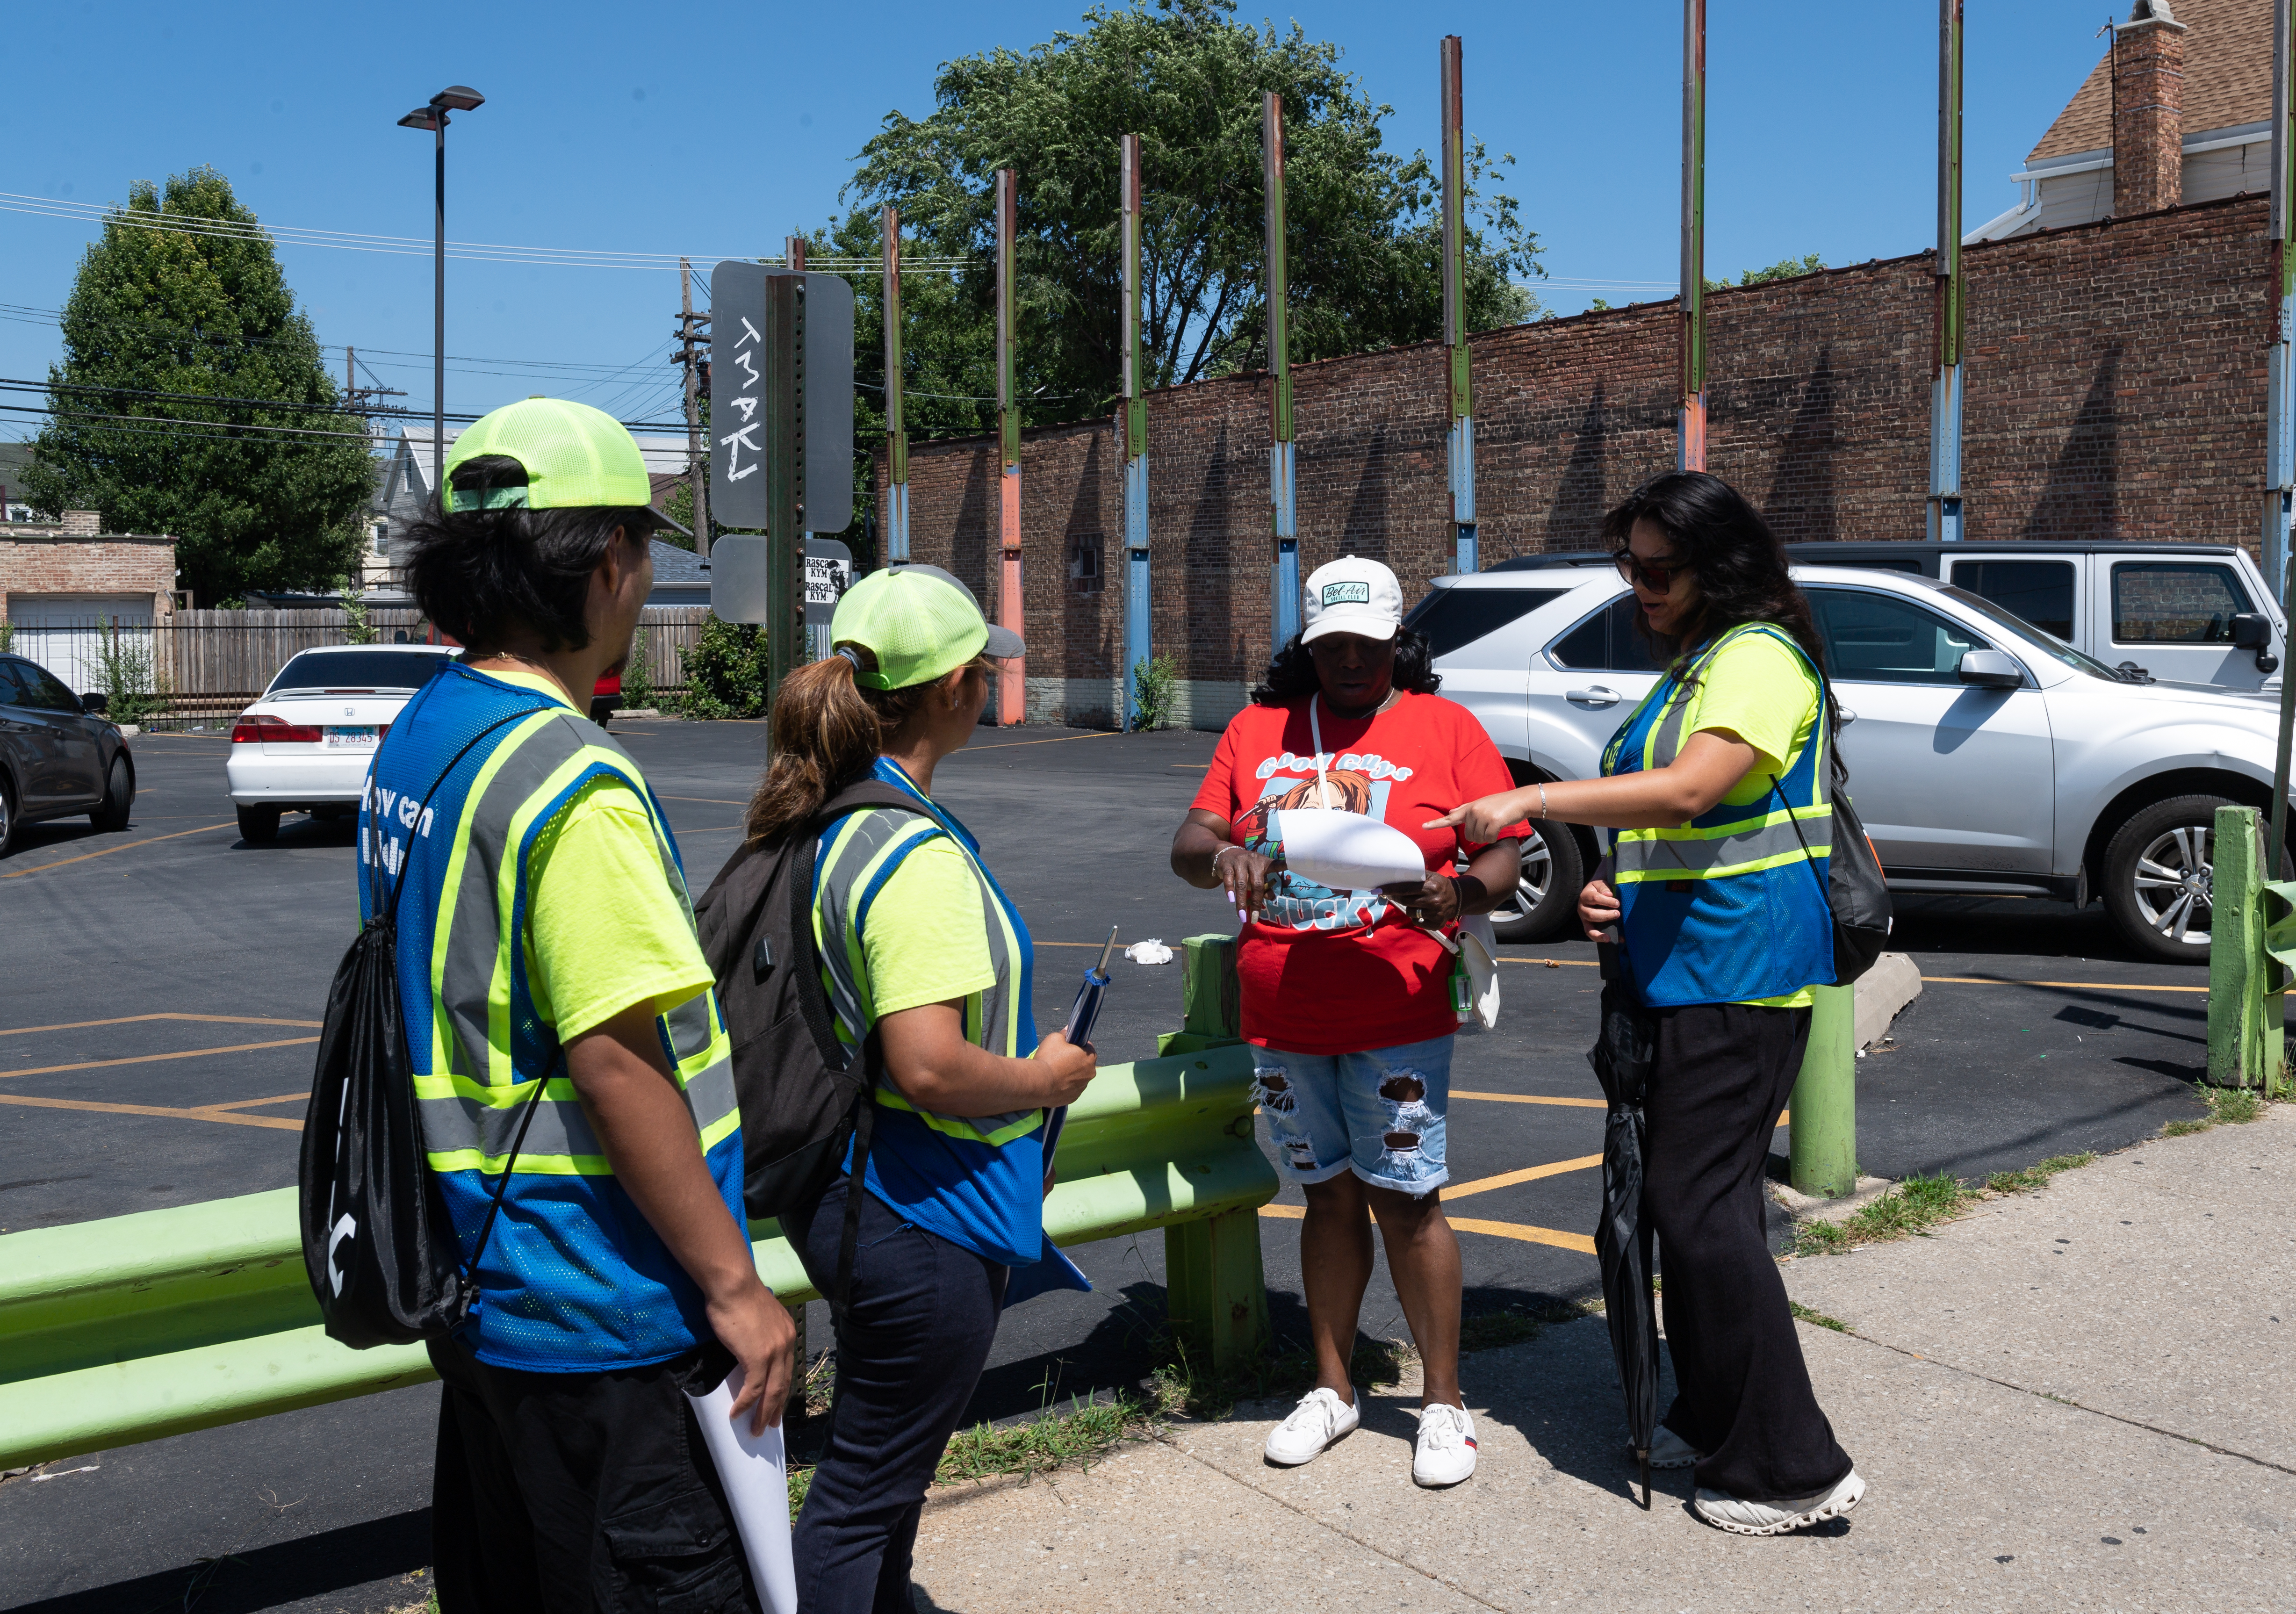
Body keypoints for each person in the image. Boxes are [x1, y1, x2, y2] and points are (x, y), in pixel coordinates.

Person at [381, 397, 794, 1611]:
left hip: (484, 1296)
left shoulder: (425, 733)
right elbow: (619, 1062)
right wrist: (736, 1288)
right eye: (645, 549)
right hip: (607, 1311)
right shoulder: (572, 780)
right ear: (609, 559)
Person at [1433, 471, 1865, 1537]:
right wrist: (1616, 886)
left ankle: (1791, 1464)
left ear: (1719, 564)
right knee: (1689, 1203)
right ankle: (1716, 1415)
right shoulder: (1699, 664)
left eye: (1658, 568)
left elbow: (1689, 790)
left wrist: (1533, 797)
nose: (1640, 585)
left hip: (1742, 971)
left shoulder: (1757, 657)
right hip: (1679, 966)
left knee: (1700, 1207)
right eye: (1630, 564)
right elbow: (1678, 828)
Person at [749, 565, 1096, 1611]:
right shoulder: (915, 854)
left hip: (856, 1194)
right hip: (921, 1210)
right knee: (864, 1487)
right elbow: (931, 1063)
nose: (993, 683)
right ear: (954, 687)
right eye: (986, 668)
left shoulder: (832, 818)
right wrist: (1042, 1075)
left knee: (885, 1465)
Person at [1170, 556, 1527, 1490]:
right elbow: (1191, 837)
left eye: (1369, 644)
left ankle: (1443, 1401)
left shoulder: (1445, 727)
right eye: (1333, 644)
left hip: (1397, 1002)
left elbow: (1506, 852)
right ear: (1309, 643)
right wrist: (1226, 859)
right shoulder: (1259, 729)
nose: (1352, 660)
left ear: (1397, 640)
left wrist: (1459, 887)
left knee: (1408, 1196)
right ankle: (1333, 1387)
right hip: (1284, 1005)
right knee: (1325, 1193)